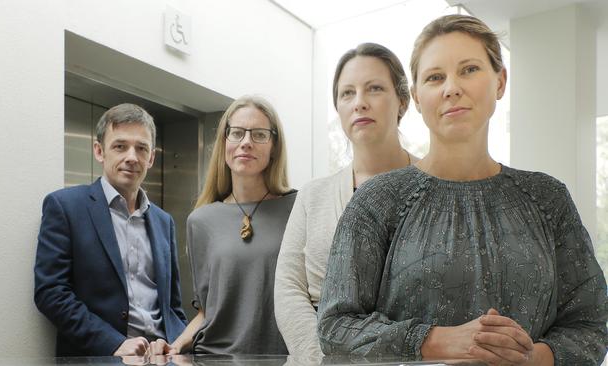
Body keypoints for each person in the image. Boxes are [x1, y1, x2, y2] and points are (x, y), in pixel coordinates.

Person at [317, 14, 608, 365]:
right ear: (419, 99)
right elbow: (336, 326)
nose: (451, 87)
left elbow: (592, 323)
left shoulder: (548, 197)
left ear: (500, 82)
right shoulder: (377, 200)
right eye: (435, 77)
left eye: (469, 69)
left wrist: (530, 358)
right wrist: (438, 341)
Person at [274, 43, 417, 356]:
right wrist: (322, 359)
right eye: (347, 93)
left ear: (403, 101)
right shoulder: (314, 195)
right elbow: (289, 288)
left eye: (375, 89)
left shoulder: (435, 185)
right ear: (338, 107)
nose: (360, 103)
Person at [34, 103, 187, 356]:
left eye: (141, 148)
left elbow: (172, 306)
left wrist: (172, 342)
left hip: (162, 358)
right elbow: (51, 293)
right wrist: (113, 343)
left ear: (151, 158)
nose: (131, 156)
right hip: (102, 356)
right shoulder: (65, 207)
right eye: (120, 146)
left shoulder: (164, 221)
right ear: (99, 151)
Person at [151, 95, 296, 355]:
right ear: (224, 142)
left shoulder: (299, 208)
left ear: (274, 146)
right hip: (214, 359)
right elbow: (207, 312)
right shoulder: (201, 220)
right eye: (237, 133)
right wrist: (174, 346)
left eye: (259, 135)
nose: (246, 143)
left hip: (282, 360)